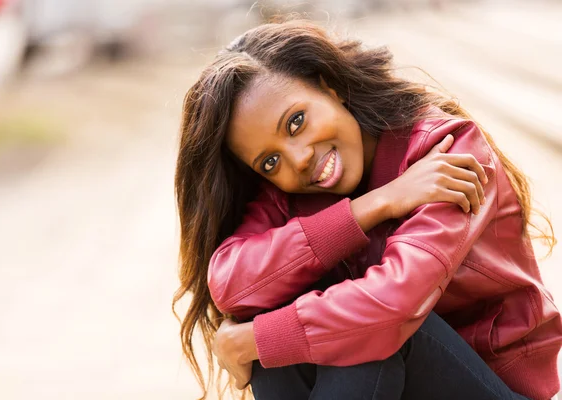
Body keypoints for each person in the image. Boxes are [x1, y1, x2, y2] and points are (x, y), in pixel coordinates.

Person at [173, 20, 561, 400]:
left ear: (330, 87)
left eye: (296, 122)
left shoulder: (447, 153)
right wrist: (370, 207)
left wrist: (253, 340)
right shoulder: (290, 191)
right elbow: (230, 283)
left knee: (369, 339)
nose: (299, 158)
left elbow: (394, 304)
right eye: (269, 162)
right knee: (288, 347)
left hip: (494, 386)